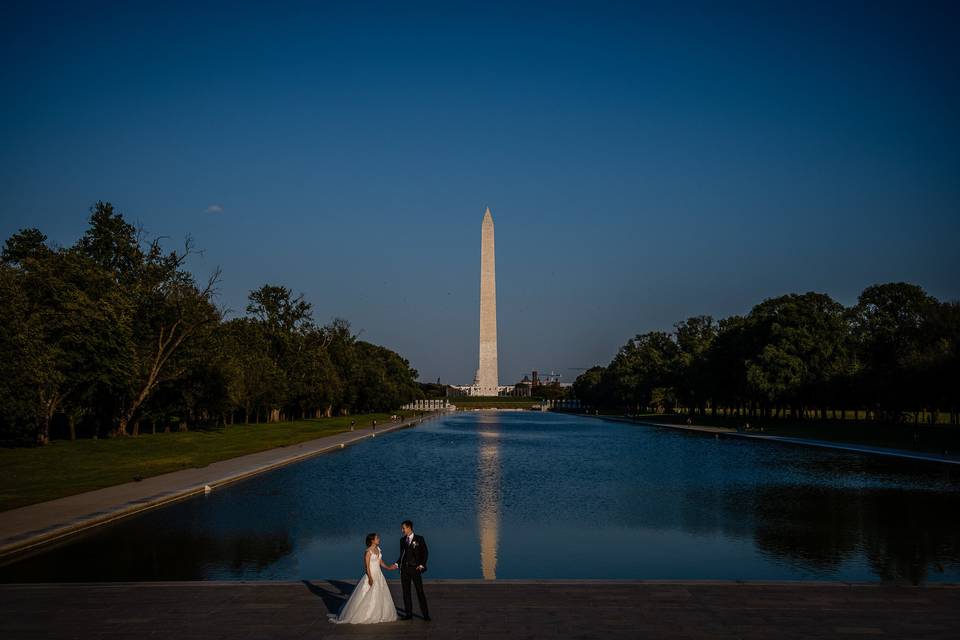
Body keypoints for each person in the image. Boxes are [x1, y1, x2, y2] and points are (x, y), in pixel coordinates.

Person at [328, 533, 398, 624]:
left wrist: (388, 567)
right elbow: (367, 567)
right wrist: (370, 578)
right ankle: (366, 615)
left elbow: (380, 562)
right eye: (377, 538)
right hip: (371, 574)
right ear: (372, 540)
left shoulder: (378, 549)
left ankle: (381, 614)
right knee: (367, 594)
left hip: (379, 574)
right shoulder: (368, 551)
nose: (379, 539)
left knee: (381, 593)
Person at [388, 520, 430, 621]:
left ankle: (425, 615)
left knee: (420, 592)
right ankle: (408, 614)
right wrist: (397, 564)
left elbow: (425, 553)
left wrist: (422, 565)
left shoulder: (419, 539)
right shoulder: (402, 540)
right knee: (406, 592)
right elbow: (402, 556)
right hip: (405, 569)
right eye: (402, 528)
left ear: (409, 528)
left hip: (415, 569)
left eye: (403, 528)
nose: (402, 530)